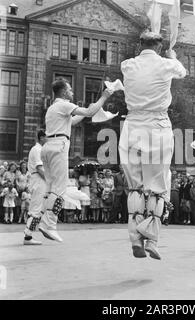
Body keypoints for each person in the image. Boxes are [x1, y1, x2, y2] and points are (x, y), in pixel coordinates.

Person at [119, 30, 186, 259]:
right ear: (159, 46)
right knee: (157, 184)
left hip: (133, 124)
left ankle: (135, 238)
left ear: (140, 44)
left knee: (135, 185)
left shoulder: (127, 65)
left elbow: (139, 66)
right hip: (157, 124)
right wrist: (173, 55)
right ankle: (151, 239)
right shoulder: (167, 64)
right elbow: (182, 72)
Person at [38, 78, 115, 242]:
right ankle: (49, 224)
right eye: (70, 89)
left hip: (48, 146)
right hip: (59, 146)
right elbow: (88, 113)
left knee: (50, 187)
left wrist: (90, 109)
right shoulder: (64, 105)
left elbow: (73, 121)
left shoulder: (53, 108)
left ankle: (43, 218)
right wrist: (104, 97)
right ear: (64, 92)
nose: (72, 92)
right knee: (59, 188)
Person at [23, 129, 47, 245]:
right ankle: (28, 236)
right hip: (38, 179)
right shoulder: (37, 149)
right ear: (42, 137)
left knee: (38, 208)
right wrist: (50, 180)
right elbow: (39, 168)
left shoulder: (39, 149)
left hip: (39, 179)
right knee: (36, 208)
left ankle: (29, 233)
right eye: (47, 137)